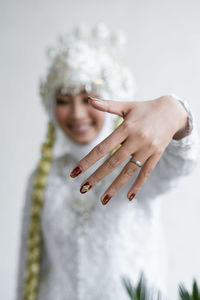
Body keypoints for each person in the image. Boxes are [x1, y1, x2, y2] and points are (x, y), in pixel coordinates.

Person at [16, 23, 200, 300]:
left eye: (89, 98)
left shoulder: (137, 159)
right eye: (64, 100)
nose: (77, 114)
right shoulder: (45, 177)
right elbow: (28, 266)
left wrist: (175, 113)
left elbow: (180, 163)